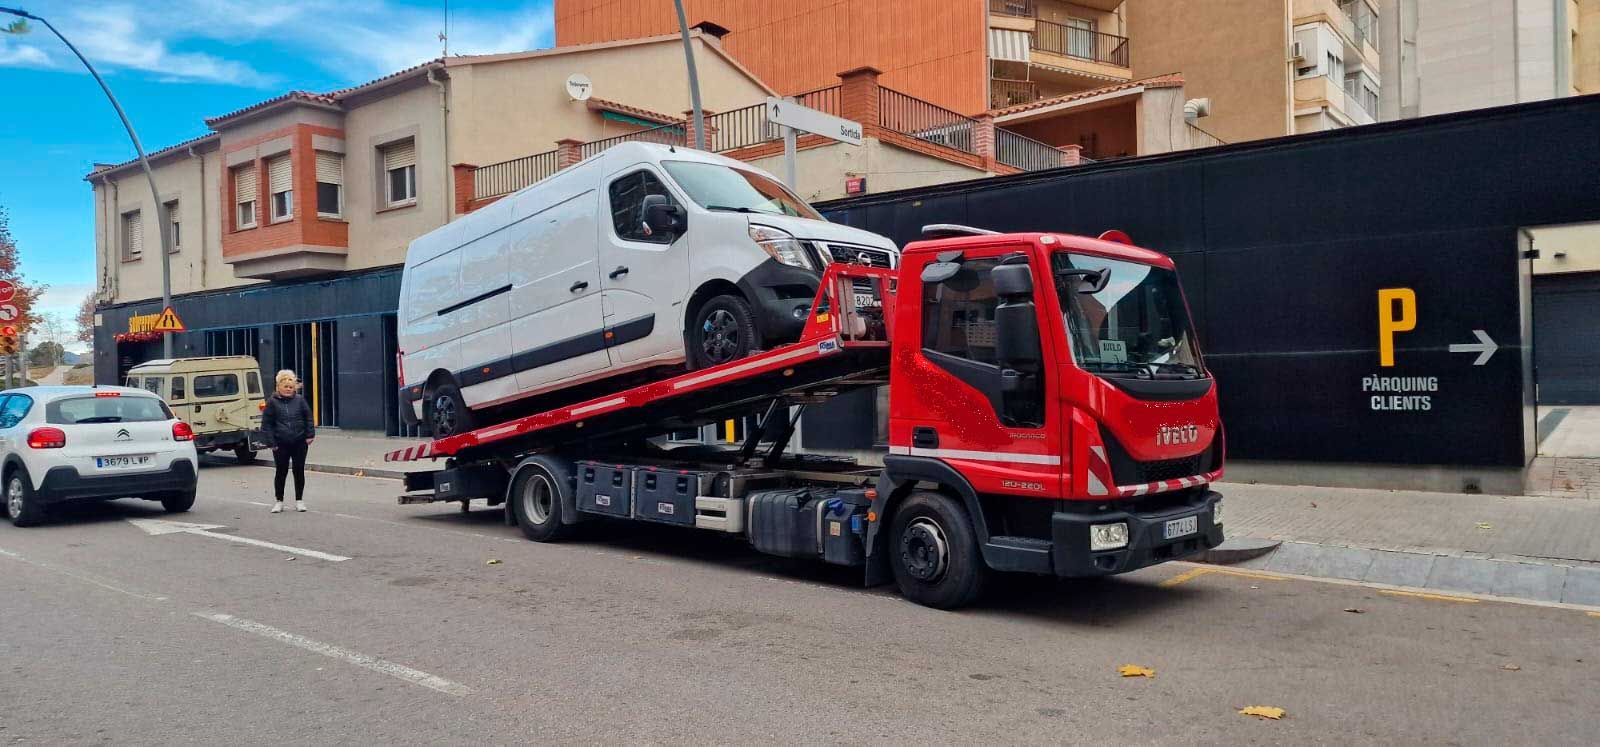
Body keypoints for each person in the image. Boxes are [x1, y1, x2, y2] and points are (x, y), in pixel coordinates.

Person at [261, 369, 315, 513]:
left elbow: (308, 417)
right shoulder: (272, 402)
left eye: (291, 387)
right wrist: (271, 443)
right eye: (285, 386)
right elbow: (266, 424)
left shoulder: (300, 400)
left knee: (299, 471)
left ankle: (299, 500)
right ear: (278, 386)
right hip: (280, 444)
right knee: (281, 471)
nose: (288, 389)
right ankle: (279, 501)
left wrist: (310, 435)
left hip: (299, 442)